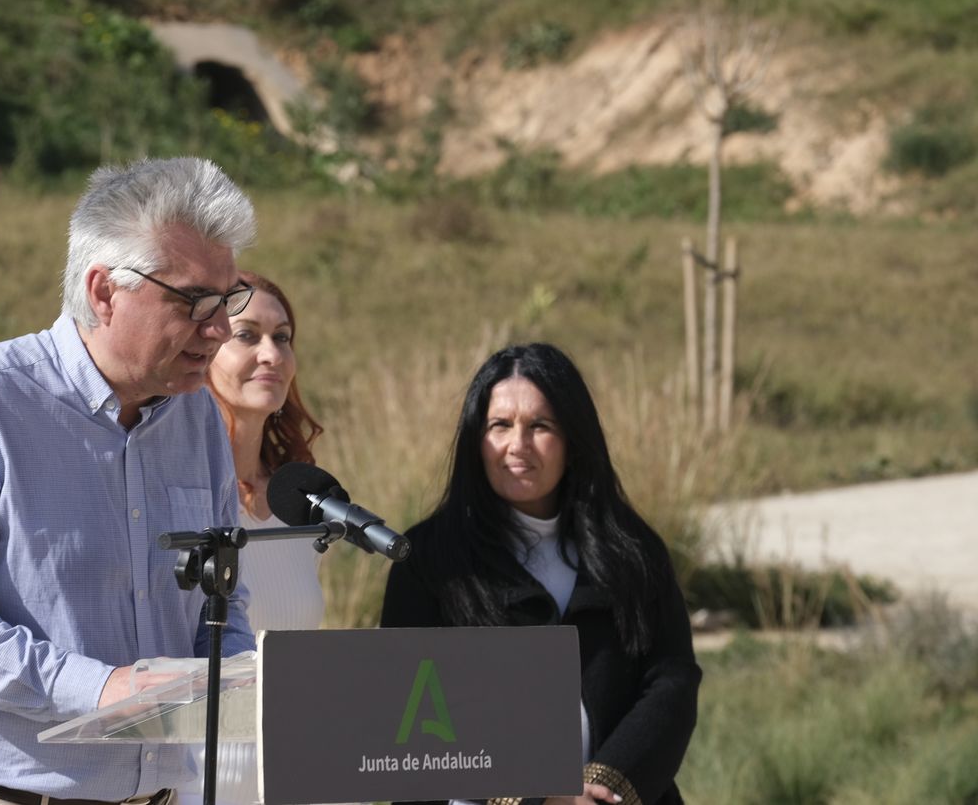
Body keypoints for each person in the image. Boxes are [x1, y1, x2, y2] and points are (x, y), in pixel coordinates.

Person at [0, 157, 260, 805]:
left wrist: (242, 682)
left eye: (228, 300)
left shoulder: (196, 417)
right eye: (195, 301)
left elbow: (223, 597)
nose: (220, 329)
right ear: (104, 290)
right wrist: (98, 690)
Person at [380, 343, 699, 805]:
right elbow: (412, 709)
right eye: (500, 425)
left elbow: (672, 681)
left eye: (540, 426)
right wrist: (537, 797)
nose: (517, 446)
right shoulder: (429, 560)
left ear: (573, 438)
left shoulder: (632, 549)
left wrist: (604, 787)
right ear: (476, 438)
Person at [181, 271, 326, 805]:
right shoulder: (175, 493)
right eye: (248, 336)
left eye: (283, 337)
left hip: (295, 782)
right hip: (196, 786)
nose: (272, 354)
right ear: (204, 348)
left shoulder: (299, 501)